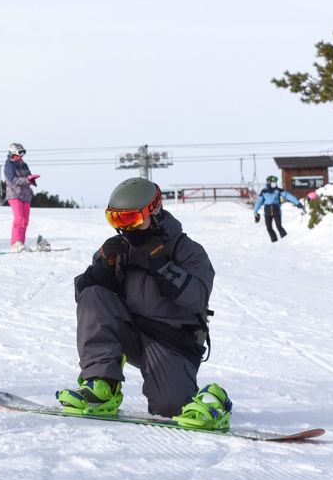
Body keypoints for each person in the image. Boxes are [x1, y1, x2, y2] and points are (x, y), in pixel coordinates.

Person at [57, 178, 230, 431]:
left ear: (154, 212)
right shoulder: (120, 249)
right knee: (95, 293)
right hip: (132, 333)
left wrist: (162, 265)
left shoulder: (186, 250)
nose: (125, 229)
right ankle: (102, 386)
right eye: (117, 220)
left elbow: (197, 298)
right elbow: (86, 298)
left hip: (171, 341)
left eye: (131, 220)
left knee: (170, 408)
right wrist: (102, 268)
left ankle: (216, 400)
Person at [4, 143, 39, 252]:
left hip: (26, 195)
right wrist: (26, 180)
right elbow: (12, 180)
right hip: (14, 195)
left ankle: (20, 244)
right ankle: (15, 243)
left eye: (21, 155)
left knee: (24, 221)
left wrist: (31, 179)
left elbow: (27, 175)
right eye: (17, 155)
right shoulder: (9, 166)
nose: (20, 157)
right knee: (19, 219)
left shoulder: (24, 165)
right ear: (11, 154)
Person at [252, 175, 305, 243]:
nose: (274, 184)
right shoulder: (264, 191)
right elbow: (259, 201)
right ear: (268, 182)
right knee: (269, 228)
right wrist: (255, 211)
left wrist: (297, 203)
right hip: (267, 211)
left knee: (279, 226)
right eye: (273, 182)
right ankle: (274, 242)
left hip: (276, 210)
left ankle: (286, 240)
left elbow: (288, 196)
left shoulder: (278, 190)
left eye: (275, 182)